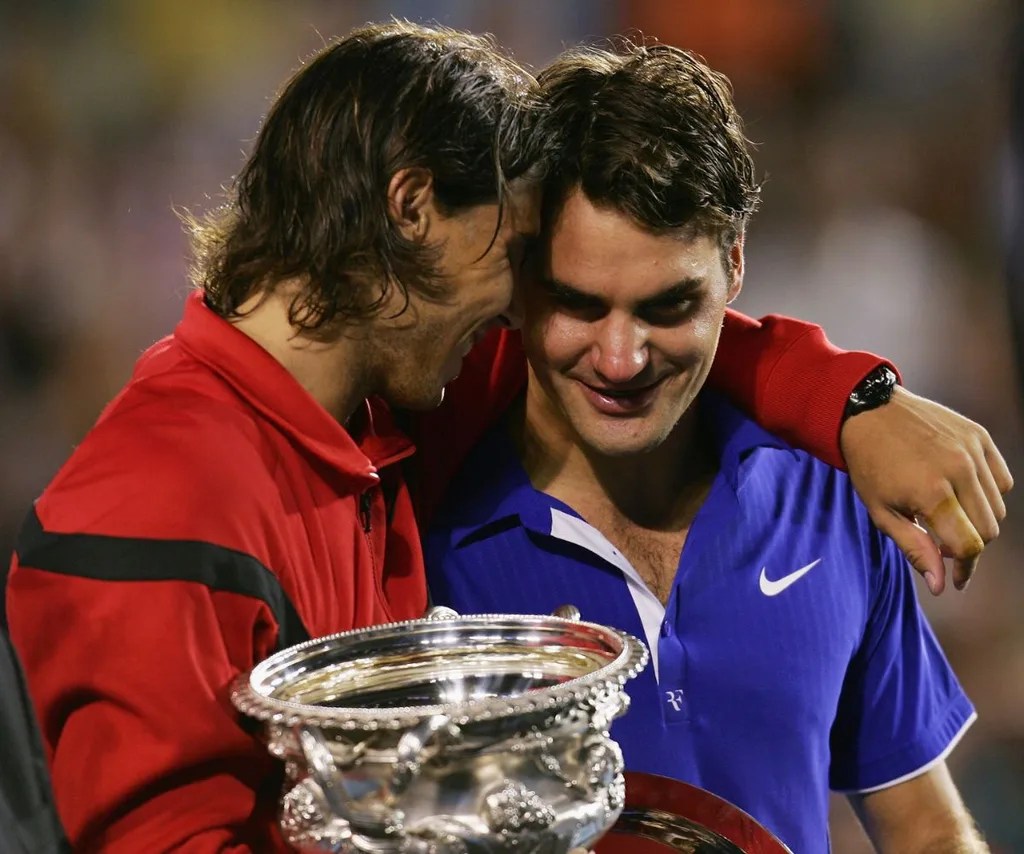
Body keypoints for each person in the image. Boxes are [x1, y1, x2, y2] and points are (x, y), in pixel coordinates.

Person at [3, 20, 1009, 854]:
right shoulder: (157, 498)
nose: (524, 314)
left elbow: (683, 344)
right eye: (522, 259)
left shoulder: (379, 426)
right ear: (412, 209)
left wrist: (857, 402)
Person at [424, 43, 1000, 854]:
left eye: (668, 305)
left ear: (734, 267)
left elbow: (929, 832)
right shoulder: (420, 537)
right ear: (517, 287)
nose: (621, 360)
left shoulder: (830, 497)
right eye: (579, 305)